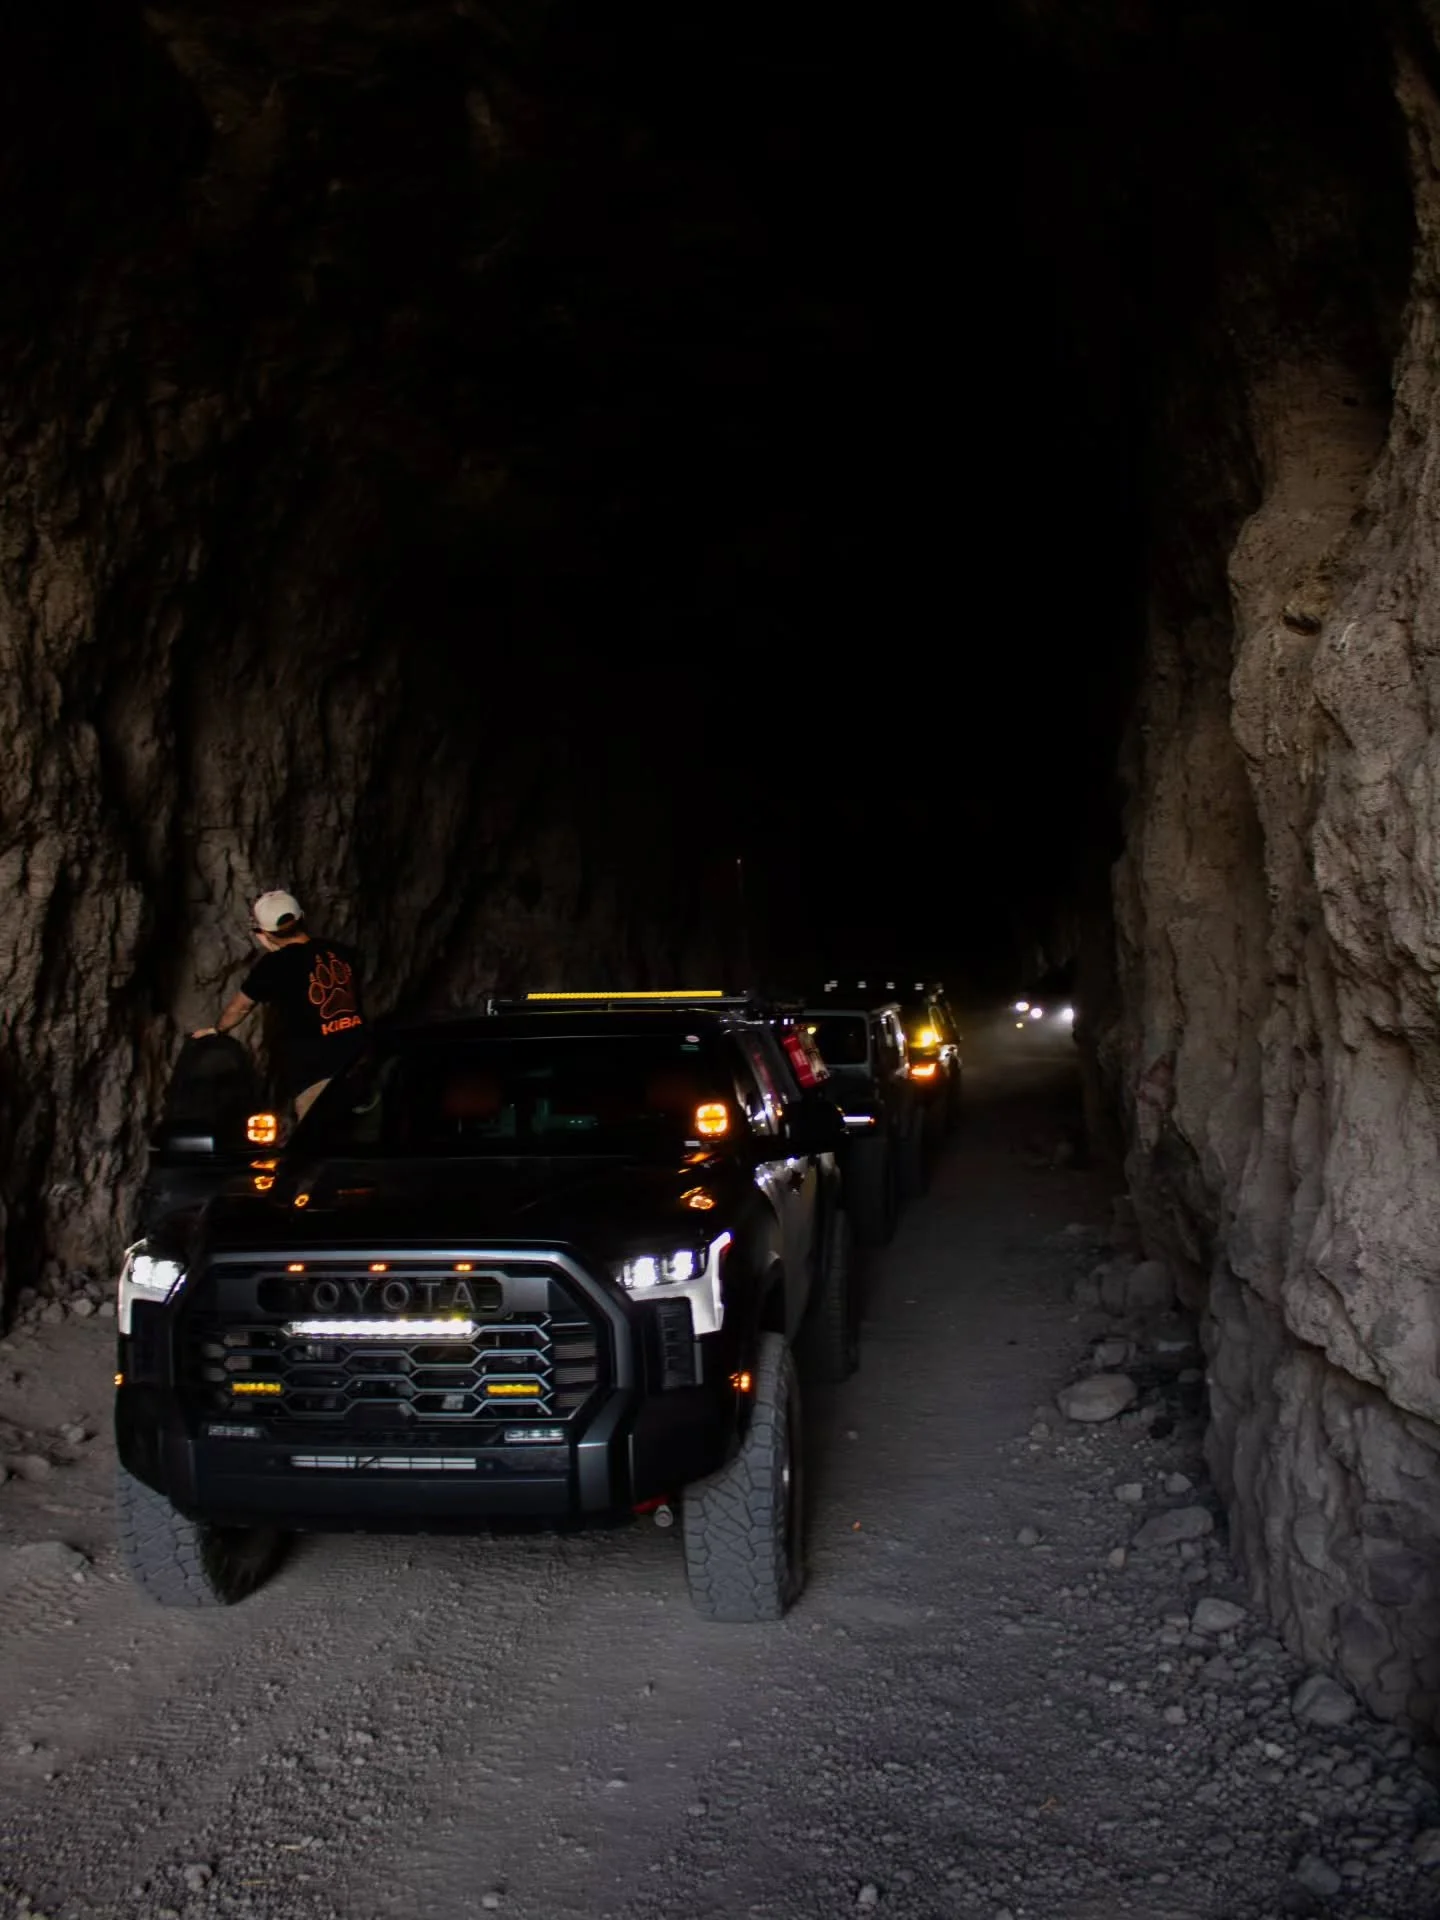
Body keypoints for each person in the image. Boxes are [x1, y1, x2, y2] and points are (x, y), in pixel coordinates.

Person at [192, 889, 367, 1120]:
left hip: (316, 1073)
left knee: (321, 1144)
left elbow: (241, 1007)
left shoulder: (274, 966)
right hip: (360, 1062)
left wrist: (218, 1030)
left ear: (264, 933)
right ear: (302, 917)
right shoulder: (342, 952)